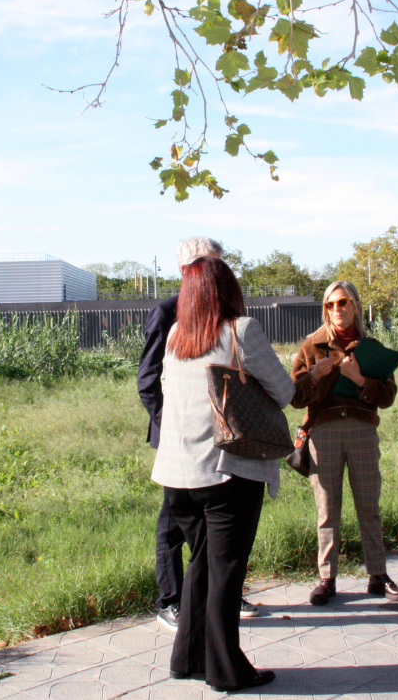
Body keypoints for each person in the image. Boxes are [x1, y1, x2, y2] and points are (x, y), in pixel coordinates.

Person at [151, 256, 293, 693]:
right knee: (225, 572)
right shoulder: (241, 330)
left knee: (202, 569)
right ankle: (226, 670)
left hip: (176, 477)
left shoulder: (176, 335)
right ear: (228, 290)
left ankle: (188, 659)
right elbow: (285, 392)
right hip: (227, 473)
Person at [137, 237, 259, 630]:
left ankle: (222, 595)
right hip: (178, 441)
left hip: (220, 442)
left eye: (220, 264)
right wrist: (171, 424)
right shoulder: (168, 314)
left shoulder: (229, 318)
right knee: (172, 524)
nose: (217, 272)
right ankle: (171, 599)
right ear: (188, 271)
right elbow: (148, 380)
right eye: (209, 264)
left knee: (215, 534)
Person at [290, 281, 398, 606]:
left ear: (355, 305)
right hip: (323, 433)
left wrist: (359, 380)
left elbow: (388, 397)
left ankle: (378, 576)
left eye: (343, 303)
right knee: (327, 510)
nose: (337, 310)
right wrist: (314, 376)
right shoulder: (313, 345)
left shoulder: (371, 346)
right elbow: (295, 398)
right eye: (330, 304)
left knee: (369, 506)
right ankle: (327, 579)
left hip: (361, 431)